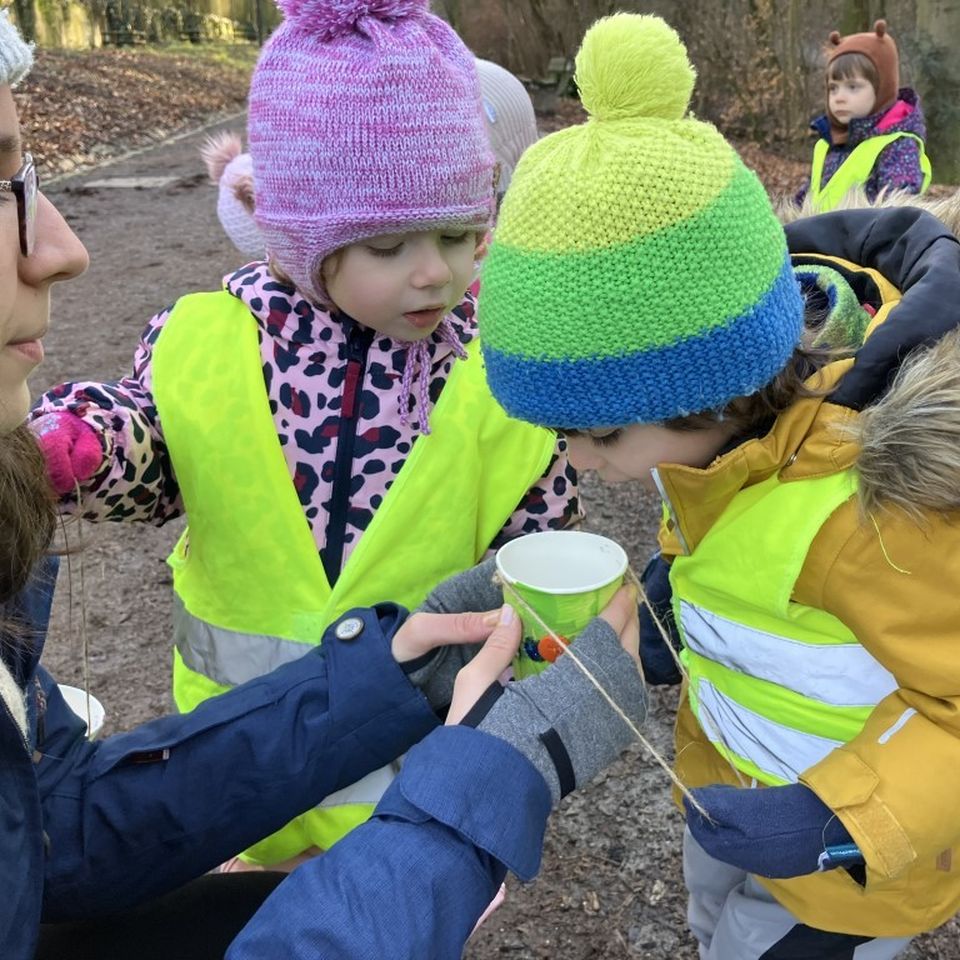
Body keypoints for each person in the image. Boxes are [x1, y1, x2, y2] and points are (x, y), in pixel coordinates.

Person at [0, 17, 645, 959]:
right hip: (222, 781)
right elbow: (158, 438)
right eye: (387, 246)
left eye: (462, 234)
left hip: (403, 778)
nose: (437, 272)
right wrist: (87, 444)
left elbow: (535, 524)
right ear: (302, 239)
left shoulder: (496, 371)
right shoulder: (210, 339)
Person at [449, 12, 960, 959]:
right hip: (733, 785)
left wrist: (843, 821)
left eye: (591, 433)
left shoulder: (874, 511)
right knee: (712, 925)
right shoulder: (719, 449)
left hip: (848, 875)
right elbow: (743, 567)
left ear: (697, 389)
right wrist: (660, 618)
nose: (573, 460)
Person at [796, 19, 930, 211]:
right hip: (819, 238)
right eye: (833, 88)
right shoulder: (827, 144)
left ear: (882, 89)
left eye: (853, 87)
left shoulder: (897, 146)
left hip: (867, 239)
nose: (839, 98)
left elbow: (898, 212)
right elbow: (806, 198)